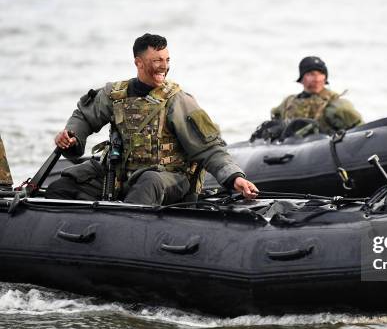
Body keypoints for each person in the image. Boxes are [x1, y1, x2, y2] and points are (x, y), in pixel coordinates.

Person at [47, 33, 258, 205]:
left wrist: (234, 178)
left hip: (166, 178)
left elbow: (210, 148)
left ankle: (126, 234)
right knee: (62, 186)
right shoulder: (114, 94)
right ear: (138, 62)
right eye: (157, 60)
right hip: (119, 175)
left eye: (167, 60)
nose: (163, 66)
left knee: (148, 183)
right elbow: (84, 117)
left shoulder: (177, 100)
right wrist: (72, 136)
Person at [270, 56, 363, 135]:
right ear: (302, 78)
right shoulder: (288, 103)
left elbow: (360, 130)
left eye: (321, 74)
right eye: (311, 74)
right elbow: (276, 123)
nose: (317, 79)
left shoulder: (336, 105)